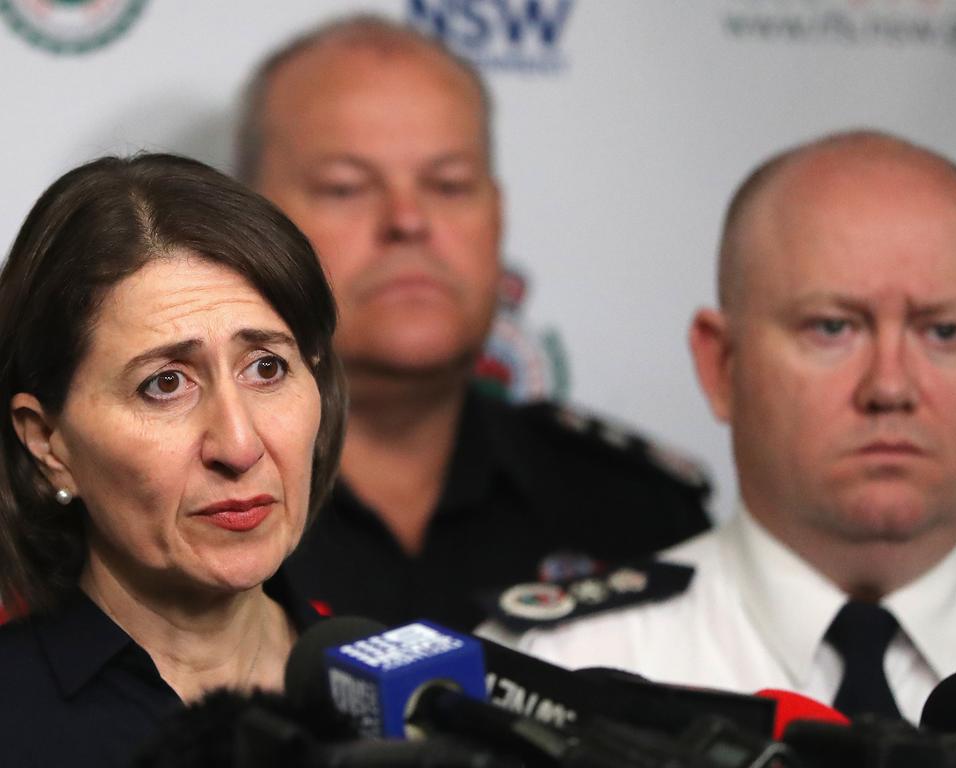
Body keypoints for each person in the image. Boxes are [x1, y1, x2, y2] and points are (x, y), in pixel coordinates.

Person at [513, 130, 956, 723]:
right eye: (832, 328)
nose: (890, 388)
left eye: (945, 333)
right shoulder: (556, 674)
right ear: (722, 365)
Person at [236, 15, 712, 631]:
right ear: (248, 223)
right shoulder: (175, 515)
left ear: (498, 214)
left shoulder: (639, 515)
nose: (408, 220)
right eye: (346, 187)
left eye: (450, 184)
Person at [0, 153, 346, 768]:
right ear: (47, 442)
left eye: (266, 367)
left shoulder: (409, 690)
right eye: (165, 384)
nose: (239, 447)